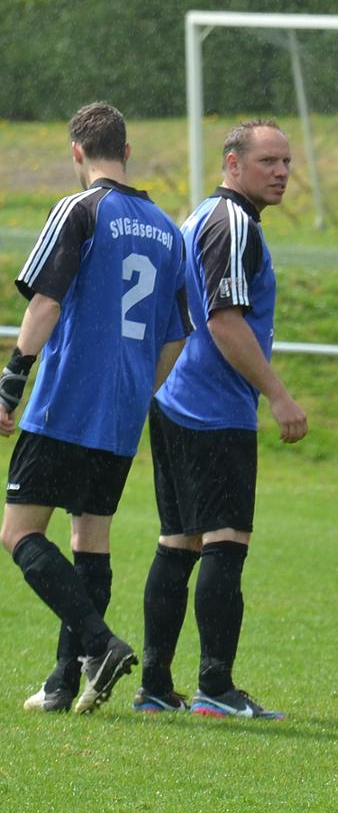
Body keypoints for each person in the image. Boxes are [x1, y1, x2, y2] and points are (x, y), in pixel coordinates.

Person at [3, 102, 189, 715]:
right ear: (127, 152)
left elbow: (46, 302)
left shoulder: (80, 209)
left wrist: (11, 379)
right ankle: (62, 683)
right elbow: (176, 336)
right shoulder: (167, 230)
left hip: (66, 402)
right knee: (91, 537)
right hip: (121, 412)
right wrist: (138, 389)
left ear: (77, 152)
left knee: (19, 531)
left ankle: (100, 644)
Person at [139, 119, 307, 719]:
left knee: (178, 542)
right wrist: (279, 395)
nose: (282, 172)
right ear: (233, 165)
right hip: (211, 407)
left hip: (176, 399)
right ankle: (215, 687)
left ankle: (155, 687)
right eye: (268, 161)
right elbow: (224, 320)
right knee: (225, 541)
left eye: (286, 162)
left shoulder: (202, 216)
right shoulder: (231, 223)